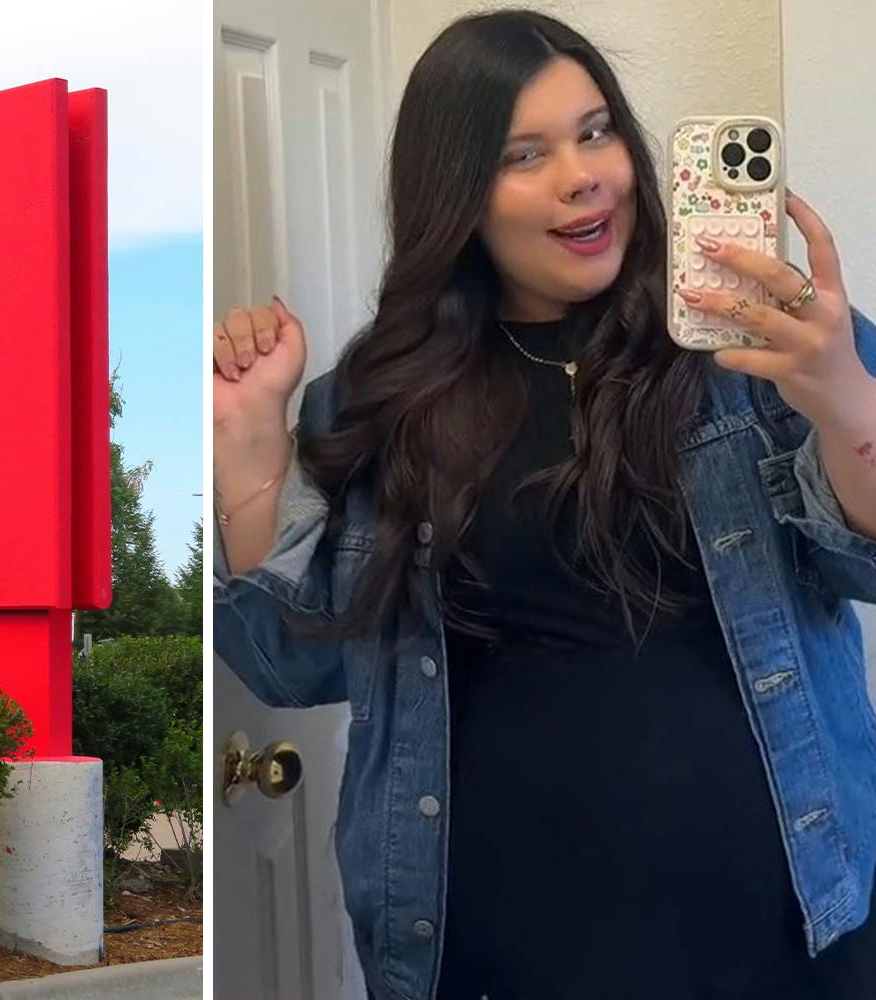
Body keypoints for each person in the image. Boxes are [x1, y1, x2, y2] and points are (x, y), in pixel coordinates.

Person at [212, 10, 876, 999]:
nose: (581, 174)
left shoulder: (759, 348)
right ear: (456, 195)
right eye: (524, 154)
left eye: (595, 130)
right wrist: (252, 445)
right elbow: (289, 657)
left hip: (783, 944)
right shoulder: (381, 395)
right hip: (488, 956)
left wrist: (842, 398)